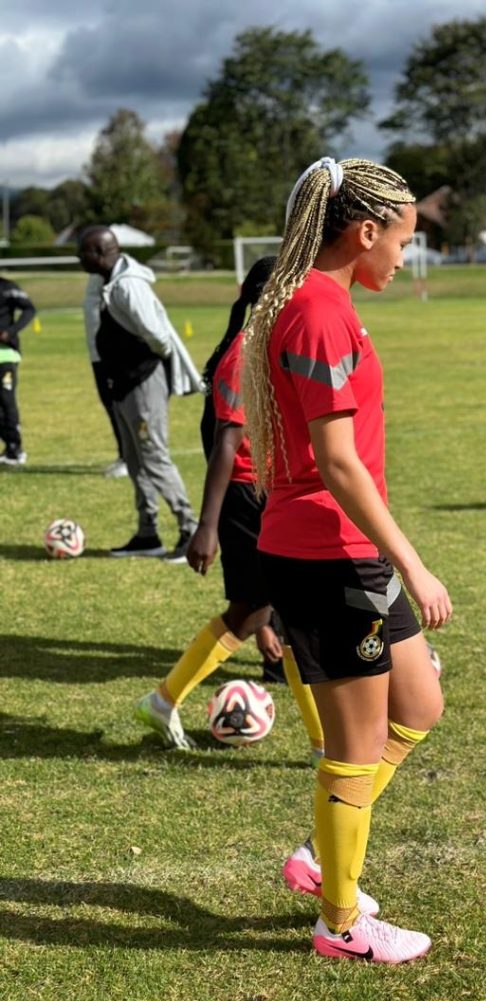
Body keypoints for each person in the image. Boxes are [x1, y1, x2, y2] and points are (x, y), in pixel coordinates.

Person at [242, 157, 452, 963]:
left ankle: (321, 855)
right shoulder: (319, 312)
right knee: (353, 749)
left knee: (419, 705)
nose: (405, 255)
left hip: (346, 554)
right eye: (403, 239)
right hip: (331, 557)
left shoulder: (323, 302)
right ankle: (340, 924)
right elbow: (337, 462)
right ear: (364, 233)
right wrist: (415, 562)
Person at [133, 256, 324, 759]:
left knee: (268, 613)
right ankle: (323, 743)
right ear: (270, 296)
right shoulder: (245, 354)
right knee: (266, 614)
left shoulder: (267, 346)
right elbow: (226, 441)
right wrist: (207, 526)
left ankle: (164, 699)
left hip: (268, 494)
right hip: (246, 499)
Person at [78, 226, 201, 562]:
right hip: (124, 385)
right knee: (135, 461)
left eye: (83, 253)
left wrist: (139, 367)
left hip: (143, 384)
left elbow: (158, 336)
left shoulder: (128, 287)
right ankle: (148, 534)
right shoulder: (109, 282)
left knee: (154, 457)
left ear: (101, 253)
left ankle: (190, 530)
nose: (79, 259)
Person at [84, 266, 128, 478]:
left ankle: (130, 458)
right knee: (110, 405)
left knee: (118, 406)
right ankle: (124, 455)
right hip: (97, 354)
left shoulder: (113, 277)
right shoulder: (94, 281)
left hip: (110, 355)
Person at [0, 275, 36, 466]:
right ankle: (8, 448)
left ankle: (15, 448)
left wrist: (11, 332)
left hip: (4, 355)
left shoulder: (7, 287)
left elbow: (29, 309)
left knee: (6, 401)